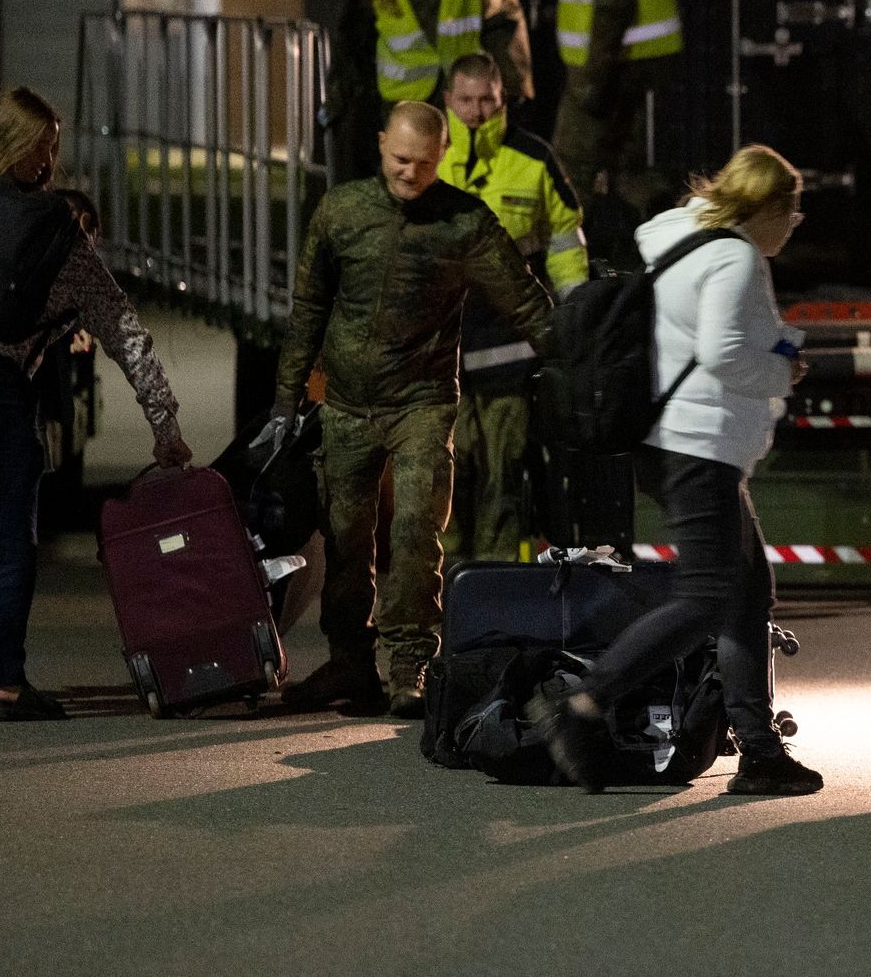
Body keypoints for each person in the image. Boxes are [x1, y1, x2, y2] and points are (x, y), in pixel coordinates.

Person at [530, 145, 823, 796]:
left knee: (747, 592)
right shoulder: (736, 255)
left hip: (677, 441)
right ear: (769, 206)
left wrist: (783, 347)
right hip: (697, 445)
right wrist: (781, 371)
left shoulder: (687, 236)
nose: (794, 225)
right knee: (705, 596)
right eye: (793, 212)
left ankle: (760, 751)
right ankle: (583, 705)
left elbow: (736, 330)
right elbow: (721, 350)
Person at [0, 87, 191, 722]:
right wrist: (165, 427)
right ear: (21, 149)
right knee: (5, 539)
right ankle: (5, 684)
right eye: (45, 148)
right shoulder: (59, 231)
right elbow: (125, 331)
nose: (52, 161)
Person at [273, 101, 554, 720]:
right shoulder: (342, 211)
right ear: (380, 145)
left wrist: (579, 365)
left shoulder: (464, 223)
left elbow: (526, 304)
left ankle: (410, 665)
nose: (409, 174)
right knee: (344, 542)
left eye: (424, 165)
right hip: (346, 405)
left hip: (423, 403)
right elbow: (308, 308)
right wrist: (286, 400)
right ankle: (350, 663)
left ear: (441, 157)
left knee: (414, 533)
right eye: (401, 160)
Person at [437, 51, 588, 561]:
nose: (477, 112)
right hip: (441, 350)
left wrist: (571, 313)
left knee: (504, 476)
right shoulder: (425, 157)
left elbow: (566, 241)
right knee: (447, 480)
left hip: (508, 349)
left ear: (503, 100)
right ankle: (445, 594)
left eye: (487, 100)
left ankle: (493, 596)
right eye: (466, 101)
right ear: (447, 101)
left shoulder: (536, 158)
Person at [333, 0, 532, 184]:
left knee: (461, 184)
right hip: (404, 105)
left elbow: (502, 16)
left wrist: (514, 82)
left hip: (462, 99)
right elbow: (353, 40)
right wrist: (341, 96)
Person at [547, 0, 683, 263]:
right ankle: (658, 250)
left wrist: (591, 82)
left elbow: (610, 7)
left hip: (610, 69)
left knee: (570, 171)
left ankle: (569, 277)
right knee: (628, 171)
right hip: (629, 67)